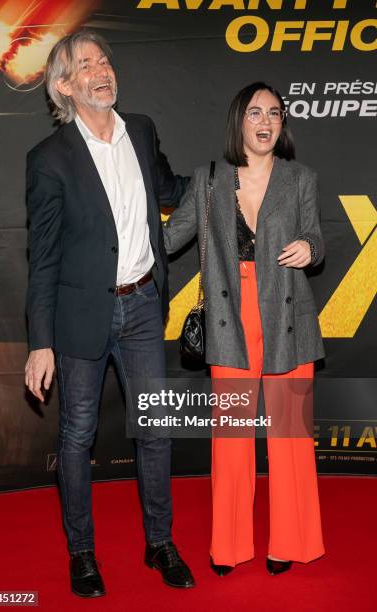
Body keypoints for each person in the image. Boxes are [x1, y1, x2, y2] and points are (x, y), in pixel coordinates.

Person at [24, 29, 194, 598]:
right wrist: (40, 342)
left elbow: (171, 188)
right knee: (77, 435)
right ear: (65, 86)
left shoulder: (140, 131)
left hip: (145, 304)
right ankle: (82, 553)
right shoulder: (49, 160)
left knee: (156, 431)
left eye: (104, 60)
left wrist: (231, 182)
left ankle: (160, 543)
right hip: (81, 315)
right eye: (85, 65)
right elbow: (42, 259)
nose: (102, 70)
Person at [163, 82, 325, 576]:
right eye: (255, 112)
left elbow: (316, 237)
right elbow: (169, 239)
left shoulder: (300, 178)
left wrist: (309, 249)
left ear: (281, 123)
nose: (265, 121)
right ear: (239, 121)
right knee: (230, 443)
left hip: (289, 320)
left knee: (290, 440)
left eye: (274, 113)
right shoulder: (209, 179)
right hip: (230, 323)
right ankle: (229, 546)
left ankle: (289, 543)